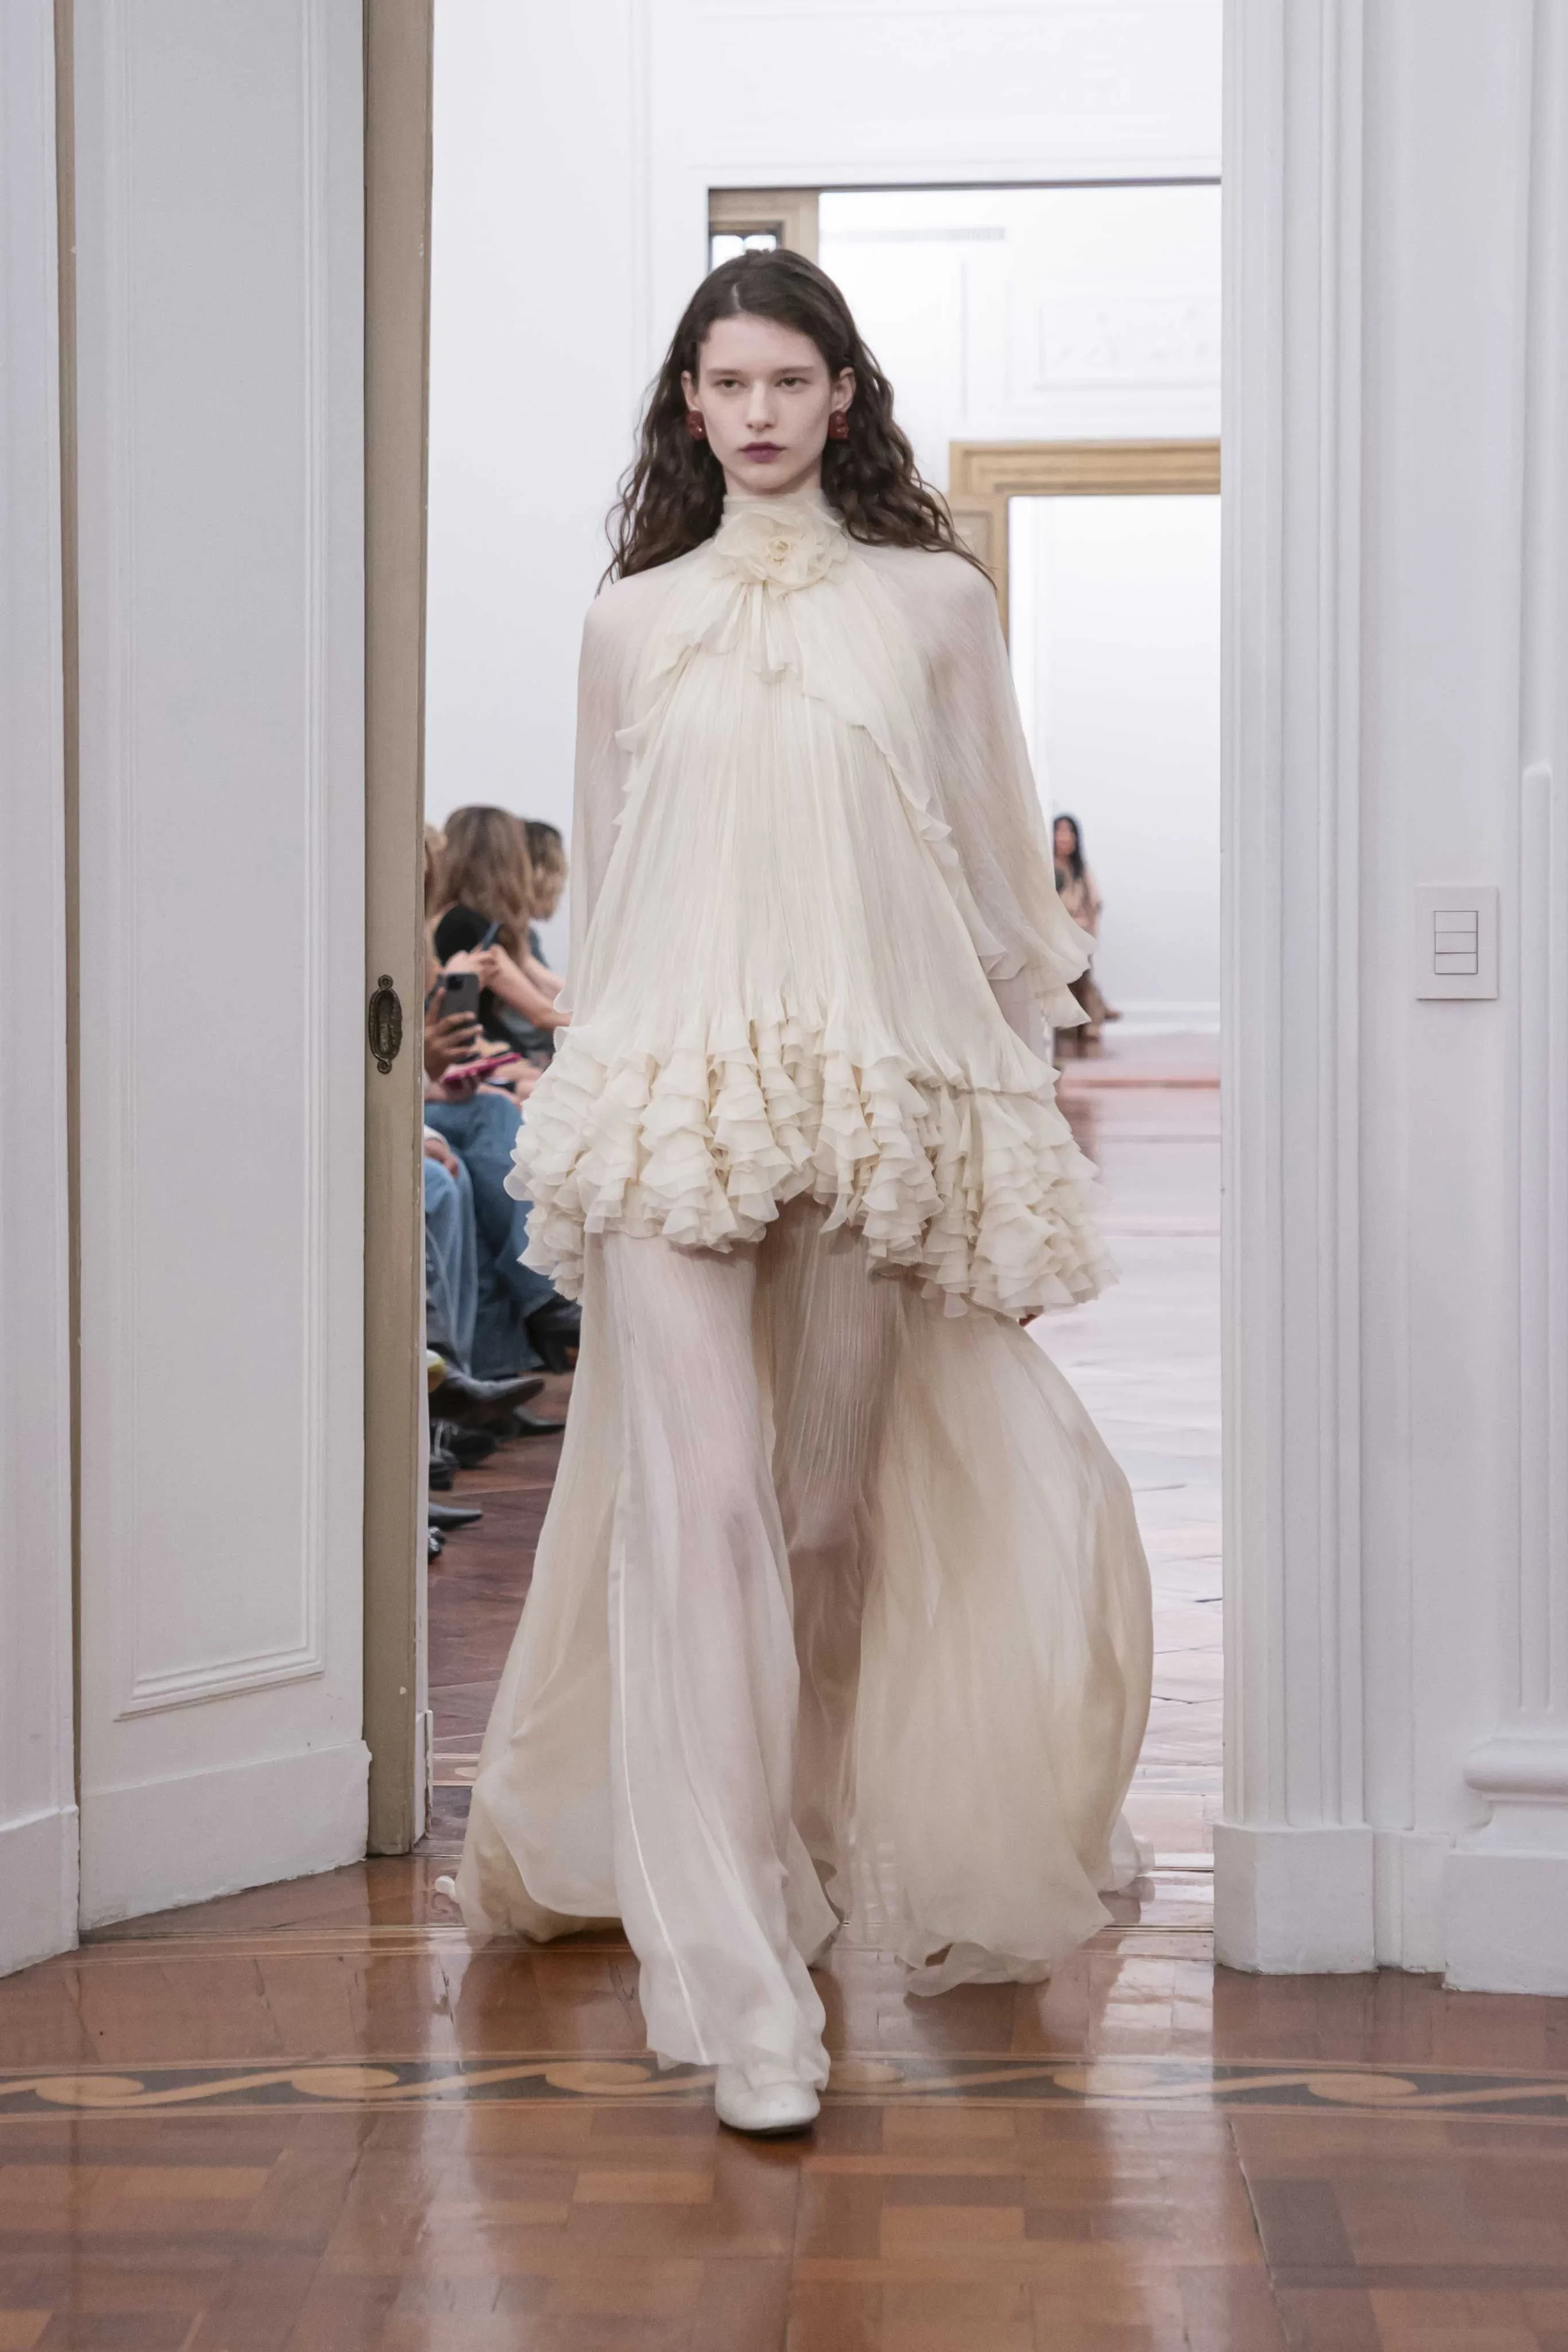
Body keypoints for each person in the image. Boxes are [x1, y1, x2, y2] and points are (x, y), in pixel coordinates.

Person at [444, 250, 1152, 2137]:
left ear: (843, 394)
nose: (756, 412)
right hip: (676, 1085)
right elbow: (612, 880)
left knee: (825, 1516)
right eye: (725, 381)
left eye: (788, 378)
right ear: (689, 404)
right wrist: (593, 1079)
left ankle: (800, 1839)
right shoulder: (630, 620)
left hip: (870, 1086)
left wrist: (1001, 1126)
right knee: (702, 1505)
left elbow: (1001, 879)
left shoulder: (934, 604)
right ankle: (738, 1966)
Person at [1051, 812, 1119, 1053]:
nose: (1064, 838)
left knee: (1081, 971)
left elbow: (1095, 902)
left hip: (1079, 932)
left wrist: (1090, 931)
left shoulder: (1081, 870)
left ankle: (1090, 1018)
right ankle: (1096, 1011)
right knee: (1071, 973)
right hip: (1058, 932)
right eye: (1059, 832)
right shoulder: (1049, 869)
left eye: (1068, 832)